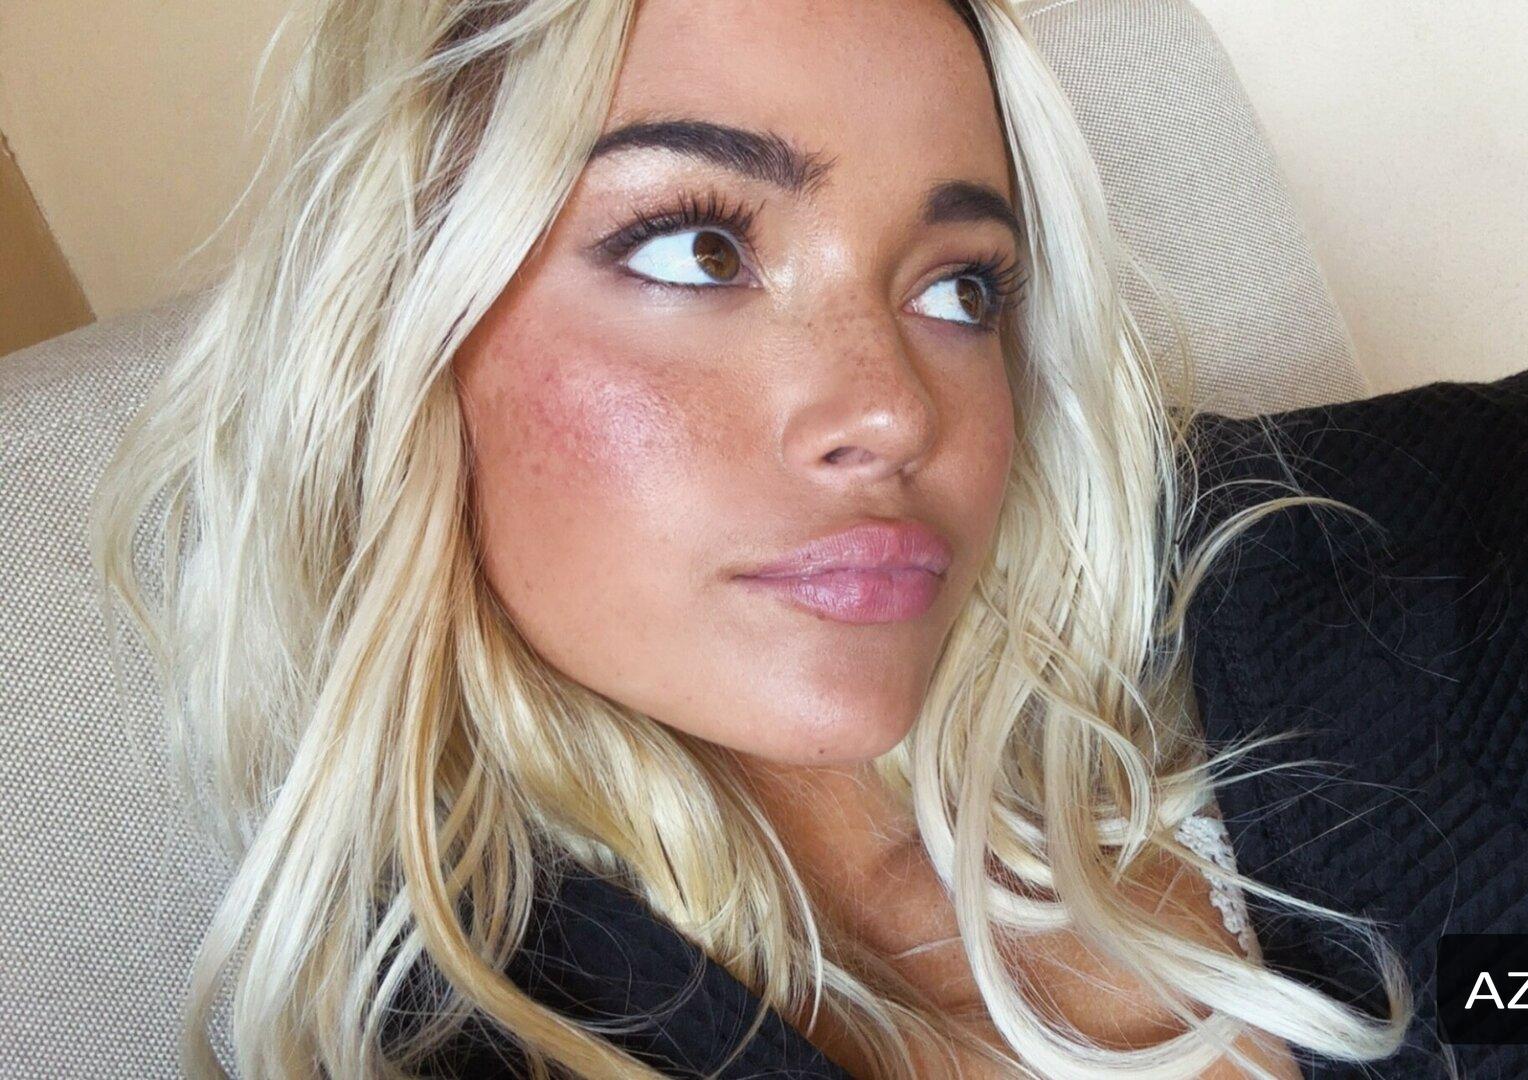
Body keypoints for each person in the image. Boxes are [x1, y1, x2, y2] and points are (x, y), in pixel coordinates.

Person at [91, 1, 1414, 1077]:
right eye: (700, 252)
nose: (896, 411)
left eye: (960, 286)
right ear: (398, 342)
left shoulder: (1398, 588)